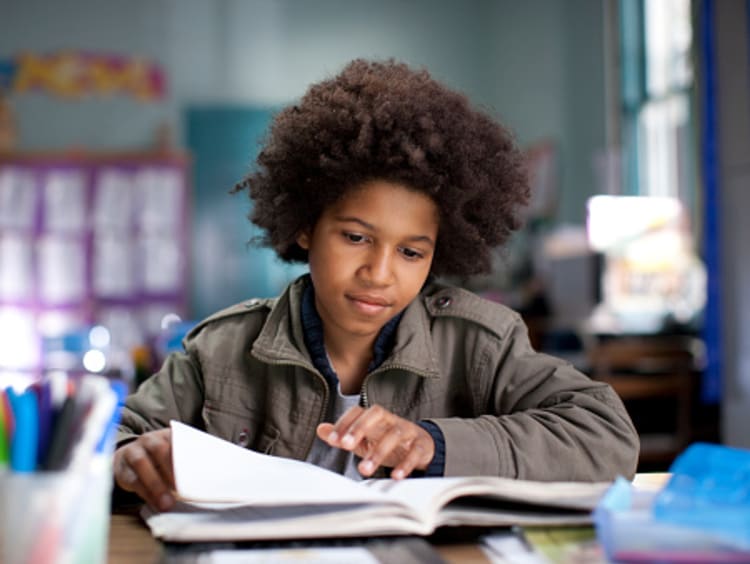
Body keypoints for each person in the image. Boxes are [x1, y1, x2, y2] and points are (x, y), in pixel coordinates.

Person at [114, 59, 639, 512]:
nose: (381, 273)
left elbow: (607, 437)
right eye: (356, 237)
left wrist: (433, 443)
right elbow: (113, 438)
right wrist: (127, 459)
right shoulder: (220, 349)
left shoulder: (483, 343)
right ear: (304, 227)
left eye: (411, 252)